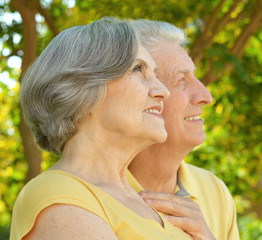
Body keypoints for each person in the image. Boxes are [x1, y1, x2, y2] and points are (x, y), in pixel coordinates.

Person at [10, 17, 191, 240]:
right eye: (137, 69)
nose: (163, 90)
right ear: (82, 92)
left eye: (154, 74)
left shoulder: (146, 199)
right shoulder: (59, 198)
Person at [128, 20, 240, 240]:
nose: (206, 96)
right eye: (181, 79)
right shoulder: (88, 195)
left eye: (194, 77)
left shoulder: (215, 191)